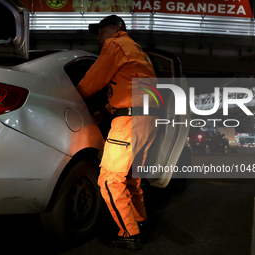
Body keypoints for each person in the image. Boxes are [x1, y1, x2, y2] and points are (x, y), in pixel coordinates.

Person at [76, 15, 159, 250]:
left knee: (110, 179)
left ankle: (129, 234)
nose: (98, 36)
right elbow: (130, 88)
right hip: (148, 119)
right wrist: (104, 111)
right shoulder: (138, 51)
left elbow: (91, 82)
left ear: (116, 29)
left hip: (130, 121)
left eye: (101, 31)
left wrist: (69, 98)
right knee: (131, 178)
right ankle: (140, 222)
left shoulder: (115, 45)